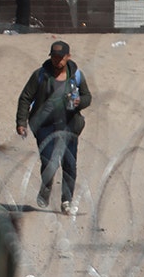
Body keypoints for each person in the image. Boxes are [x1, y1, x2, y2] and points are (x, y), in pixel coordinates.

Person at [16, 40, 91, 216]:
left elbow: (88, 96)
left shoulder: (76, 76)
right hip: (45, 126)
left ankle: (67, 200)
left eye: (60, 57)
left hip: (69, 125)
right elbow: (25, 97)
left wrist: (80, 102)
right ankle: (46, 185)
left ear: (68, 57)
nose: (57, 61)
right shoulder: (40, 75)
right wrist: (21, 122)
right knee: (49, 162)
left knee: (69, 164)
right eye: (54, 57)